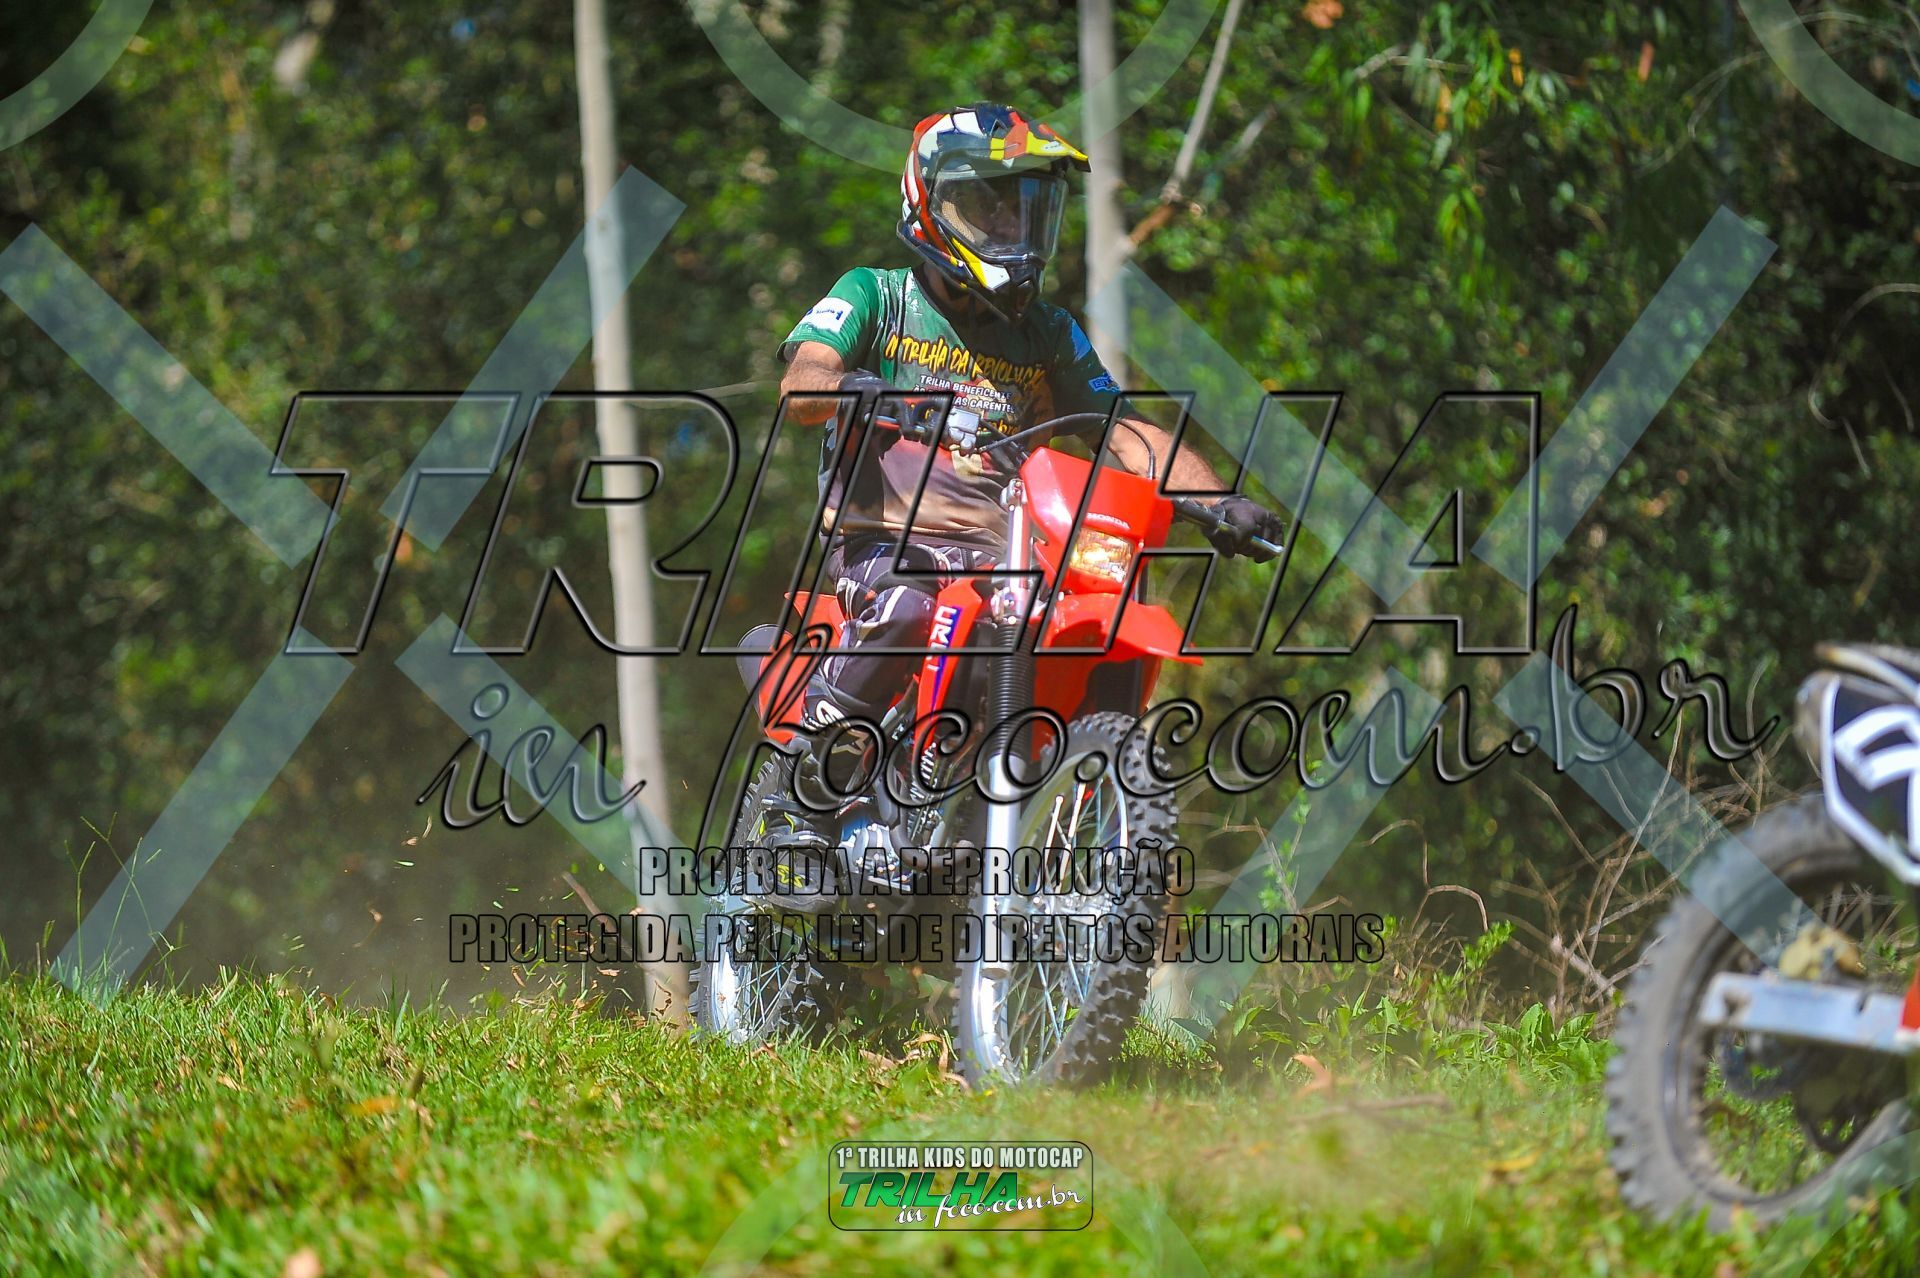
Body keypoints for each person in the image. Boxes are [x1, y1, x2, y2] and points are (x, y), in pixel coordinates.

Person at [771, 102, 1284, 861]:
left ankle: (1027, 831)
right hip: (883, 545)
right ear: (933, 203)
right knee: (911, 607)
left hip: (1006, 555)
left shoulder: (1048, 331)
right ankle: (798, 803)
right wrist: (861, 390)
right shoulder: (877, 295)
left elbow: (1125, 430)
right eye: (989, 206)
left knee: (1080, 624)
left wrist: (1218, 500)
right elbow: (802, 382)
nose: (1010, 226)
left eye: (1025, 209)